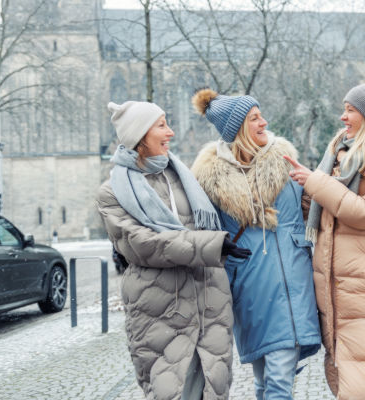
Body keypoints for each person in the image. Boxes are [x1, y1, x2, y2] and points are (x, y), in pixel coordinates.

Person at [96, 100, 251, 400]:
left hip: (209, 304)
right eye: (162, 125)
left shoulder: (186, 177)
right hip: (159, 312)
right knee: (171, 392)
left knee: (213, 389)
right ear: (140, 135)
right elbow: (142, 246)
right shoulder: (112, 193)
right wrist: (209, 246)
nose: (172, 131)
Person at [285, 82, 365, 400]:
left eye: (351, 110)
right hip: (341, 288)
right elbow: (325, 209)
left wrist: (317, 183)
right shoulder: (341, 161)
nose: (343, 116)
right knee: (346, 378)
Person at [191, 89, 321, 400]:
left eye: (260, 114)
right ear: (237, 130)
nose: (264, 122)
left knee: (277, 381)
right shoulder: (210, 181)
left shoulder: (286, 164)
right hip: (249, 290)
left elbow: (318, 211)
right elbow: (199, 233)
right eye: (254, 118)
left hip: (292, 287)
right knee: (264, 381)